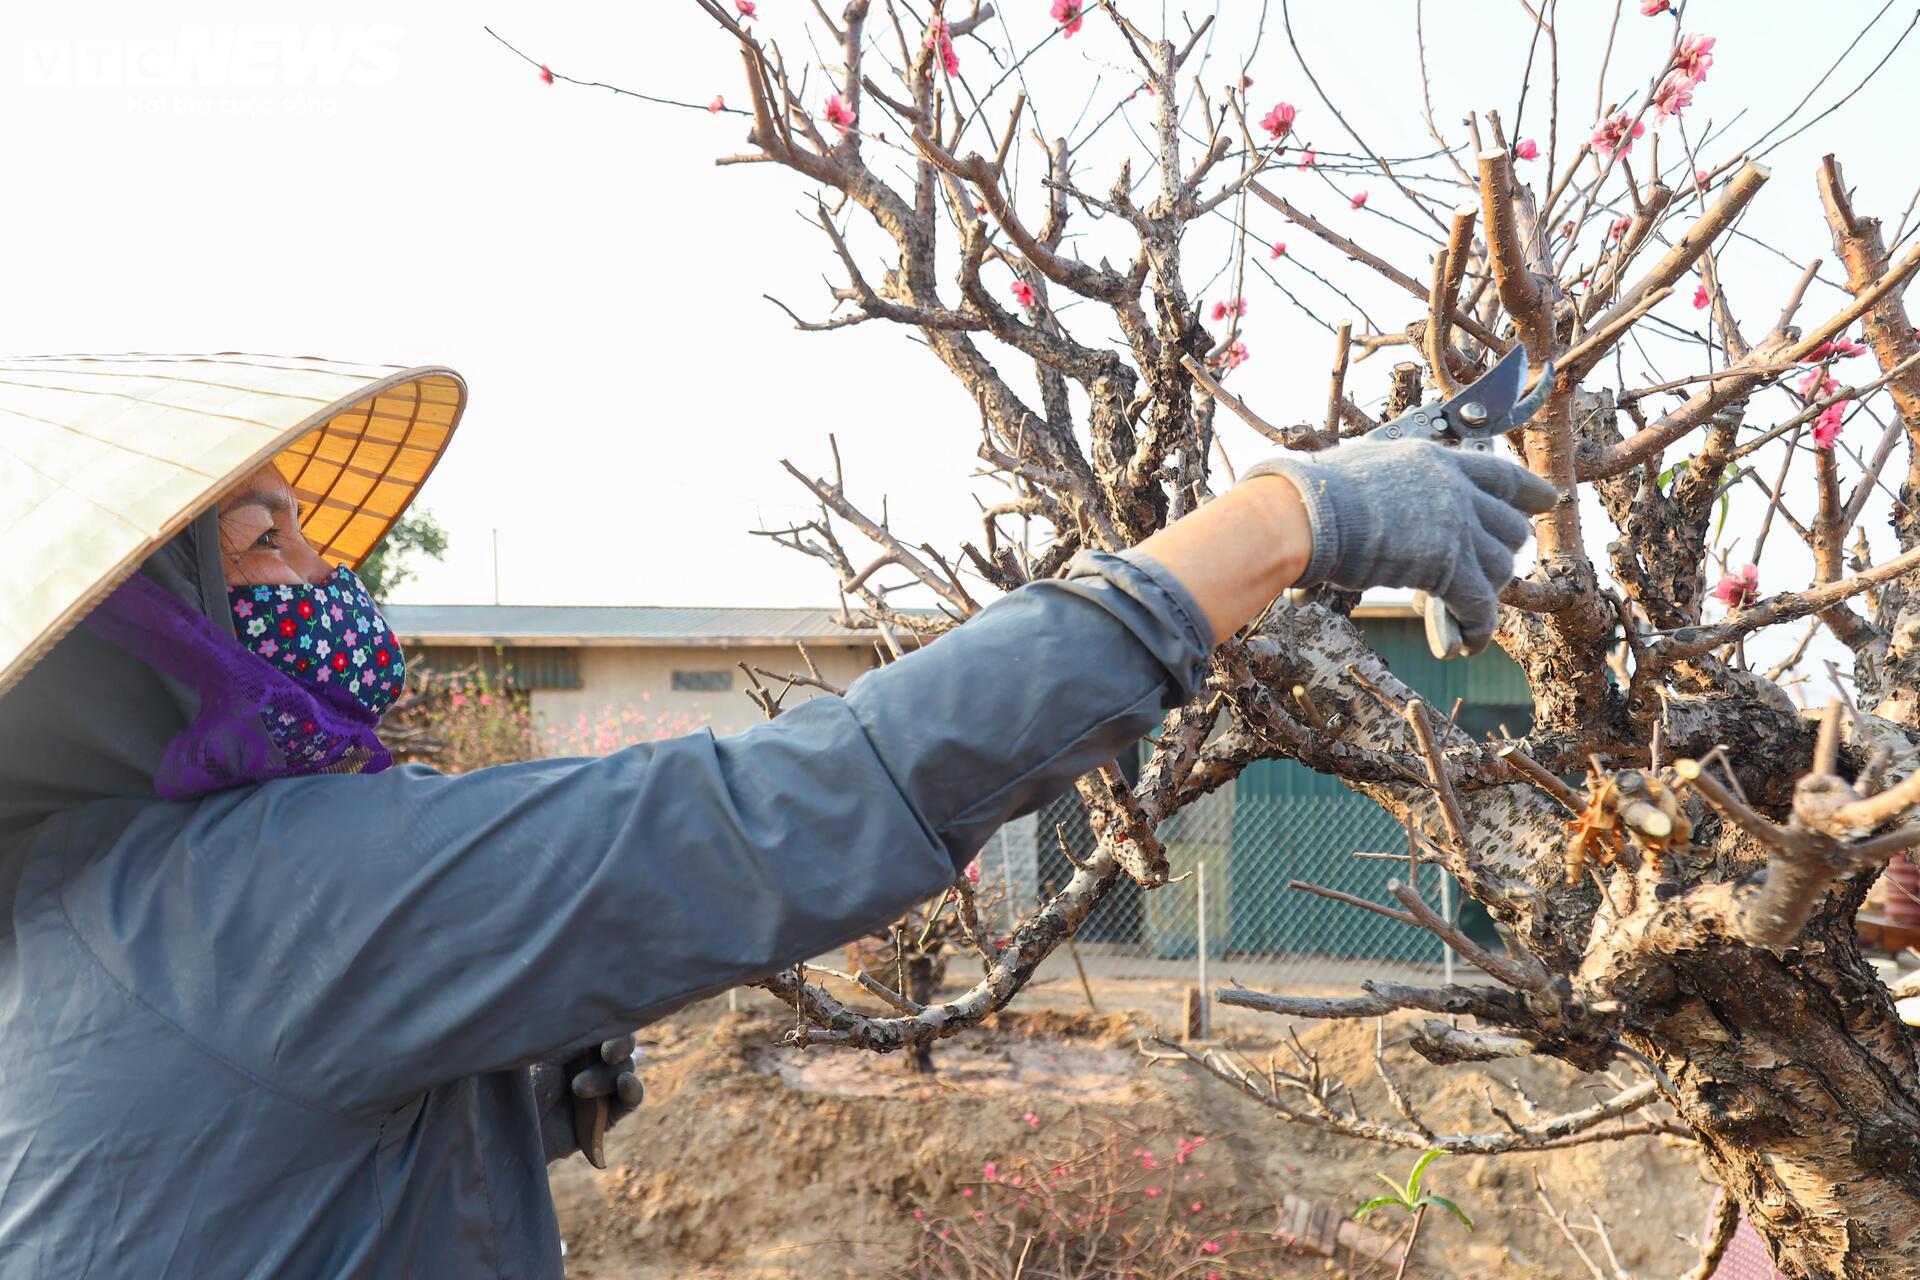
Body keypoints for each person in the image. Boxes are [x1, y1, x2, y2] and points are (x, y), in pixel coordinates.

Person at [0, 357, 1554, 1278]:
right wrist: (1281, 521)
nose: (320, 577)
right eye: (257, 542)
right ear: (130, 629)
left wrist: (518, 1086)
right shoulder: (245, 902)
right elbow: (776, 809)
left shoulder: (79, 897)